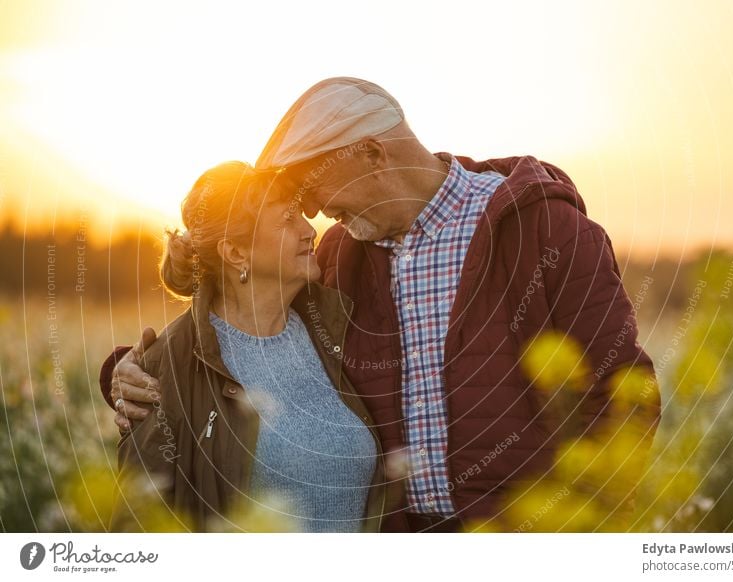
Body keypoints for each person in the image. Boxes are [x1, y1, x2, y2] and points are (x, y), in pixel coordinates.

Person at [102, 78, 661, 532]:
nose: (317, 213)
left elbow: (624, 388)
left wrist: (587, 521)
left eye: (317, 188)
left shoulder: (545, 228)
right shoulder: (344, 255)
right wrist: (131, 371)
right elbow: (248, 332)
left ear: (371, 152)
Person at [111, 161, 388, 532]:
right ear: (236, 253)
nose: (310, 231)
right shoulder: (169, 365)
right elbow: (138, 528)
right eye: (288, 220)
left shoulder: (335, 330)